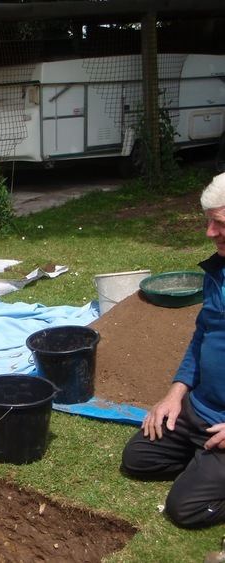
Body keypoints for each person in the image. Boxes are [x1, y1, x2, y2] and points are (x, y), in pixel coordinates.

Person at [121, 171, 225, 528]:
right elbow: (202, 337)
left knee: (186, 510)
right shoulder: (219, 273)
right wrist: (174, 395)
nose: (209, 233)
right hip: (199, 410)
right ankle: (204, 464)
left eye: (219, 223)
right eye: (209, 222)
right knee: (138, 459)